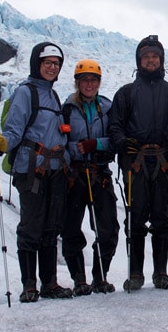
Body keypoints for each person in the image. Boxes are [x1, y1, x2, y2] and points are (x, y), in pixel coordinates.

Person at [0, 42, 74, 301]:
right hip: (31, 171)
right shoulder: (26, 92)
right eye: (47, 62)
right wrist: (3, 142)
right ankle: (29, 286)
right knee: (31, 227)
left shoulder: (53, 95)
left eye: (56, 63)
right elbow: (14, 129)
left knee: (50, 227)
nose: (52, 67)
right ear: (37, 63)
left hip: (54, 171)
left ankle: (49, 284)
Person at [108, 35, 168, 291]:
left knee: (161, 217)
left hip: (163, 161)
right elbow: (114, 125)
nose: (150, 60)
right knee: (135, 217)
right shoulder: (126, 94)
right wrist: (121, 142)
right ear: (139, 61)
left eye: (154, 56)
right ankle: (136, 273)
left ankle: (161, 272)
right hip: (135, 162)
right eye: (146, 56)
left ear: (161, 60)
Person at [61, 59, 120, 295]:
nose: (89, 84)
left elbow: (116, 138)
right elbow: (60, 142)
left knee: (108, 229)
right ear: (77, 82)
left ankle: (100, 277)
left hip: (99, 173)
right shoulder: (66, 109)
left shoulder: (107, 108)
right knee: (71, 228)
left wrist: (96, 143)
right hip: (74, 175)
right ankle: (79, 280)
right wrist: (76, 150)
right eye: (84, 80)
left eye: (93, 80)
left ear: (99, 82)